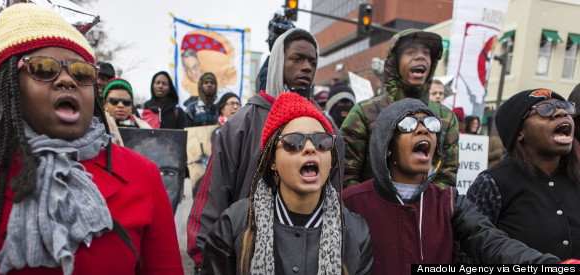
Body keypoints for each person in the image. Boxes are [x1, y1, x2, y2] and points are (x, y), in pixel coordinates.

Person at [0, 4, 183, 274]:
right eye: (43, 68)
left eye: (82, 72)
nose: (67, 80)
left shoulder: (143, 174)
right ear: (9, 86)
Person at [343, 98, 565, 275]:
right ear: (387, 143)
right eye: (409, 124)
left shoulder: (449, 203)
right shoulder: (350, 203)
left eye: (431, 125)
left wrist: (550, 265)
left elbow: (493, 244)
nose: (423, 130)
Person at [187, 28, 346, 272]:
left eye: (312, 61)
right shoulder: (242, 123)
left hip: (311, 257)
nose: (307, 67)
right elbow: (215, 191)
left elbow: (336, 194)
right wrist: (204, 257)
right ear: (278, 62)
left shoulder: (328, 129)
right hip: (244, 250)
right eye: (297, 59)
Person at [201, 92, 373, 274]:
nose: (310, 148)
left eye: (322, 141)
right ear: (272, 160)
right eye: (293, 142)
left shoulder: (356, 232)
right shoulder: (233, 225)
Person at [466, 88, 580, 261]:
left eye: (564, 107)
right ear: (519, 132)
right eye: (545, 110)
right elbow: (467, 250)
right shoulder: (492, 183)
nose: (561, 113)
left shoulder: (576, 177)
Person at [340, 29, 459, 188]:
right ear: (394, 62)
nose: (420, 56)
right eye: (410, 52)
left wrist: (424, 209)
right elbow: (346, 176)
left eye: (426, 53)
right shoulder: (363, 113)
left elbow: (446, 178)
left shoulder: (445, 117)